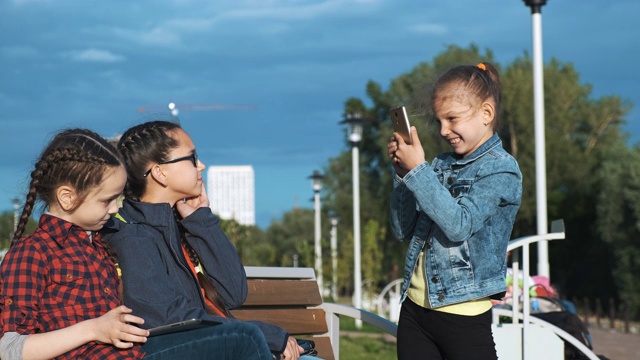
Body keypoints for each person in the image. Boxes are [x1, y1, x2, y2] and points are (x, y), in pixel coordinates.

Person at [0, 128, 272, 360]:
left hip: (137, 352)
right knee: (242, 336)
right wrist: (93, 329)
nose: (116, 207)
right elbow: (8, 348)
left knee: (242, 338)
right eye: (106, 200)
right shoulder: (31, 253)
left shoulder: (100, 245)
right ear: (68, 198)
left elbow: (230, 293)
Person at [103, 120, 311, 360]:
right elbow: (170, 317)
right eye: (192, 158)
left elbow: (234, 293)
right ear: (160, 172)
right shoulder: (131, 237)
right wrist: (268, 335)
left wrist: (200, 221)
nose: (201, 165)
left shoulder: (182, 227)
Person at [387, 62, 523, 360]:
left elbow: (459, 224)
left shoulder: (501, 169)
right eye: (439, 121)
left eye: (452, 119)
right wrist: (402, 176)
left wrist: (419, 171)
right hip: (415, 309)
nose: (443, 130)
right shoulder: (440, 165)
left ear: (486, 114)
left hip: (463, 315)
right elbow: (402, 229)